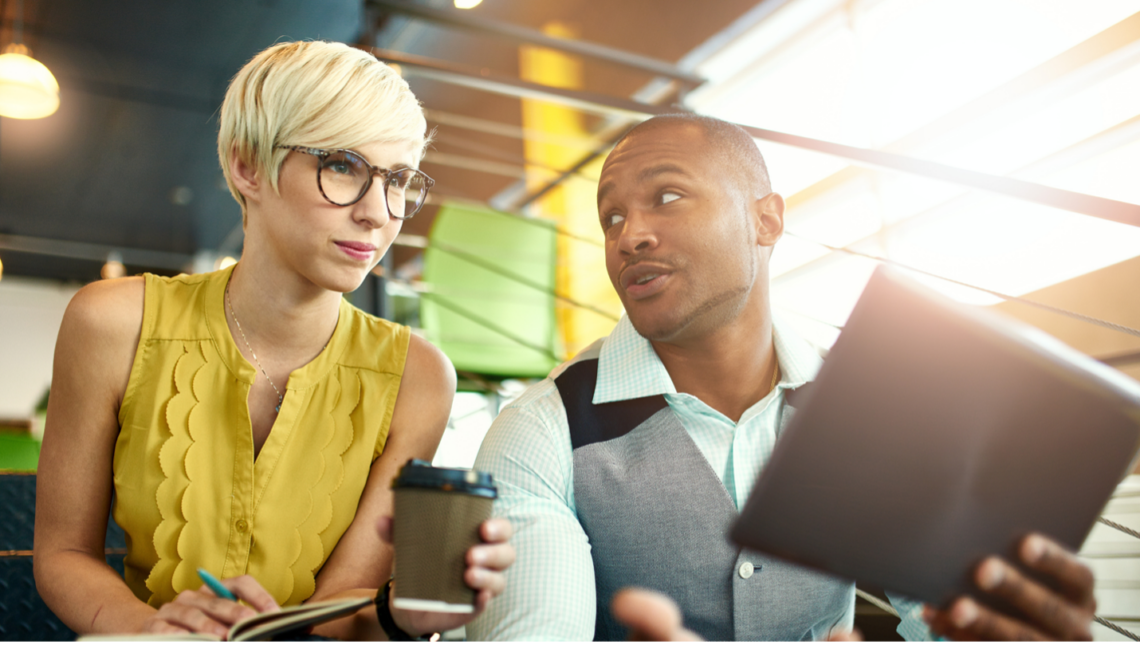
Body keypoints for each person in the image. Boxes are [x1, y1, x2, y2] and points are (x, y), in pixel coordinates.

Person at [467, 114, 1097, 641]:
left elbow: (951, 620)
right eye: (610, 218)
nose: (630, 235)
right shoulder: (538, 434)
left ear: (766, 220)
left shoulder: (869, 414)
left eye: (666, 197)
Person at [34, 41, 513, 641]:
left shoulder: (418, 377)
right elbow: (63, 555)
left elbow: (348, 605)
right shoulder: (112, 322)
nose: (377, 212)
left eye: (398, 179)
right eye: (342, 165)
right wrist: (155, 630)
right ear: (247, 167)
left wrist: (407, 612)